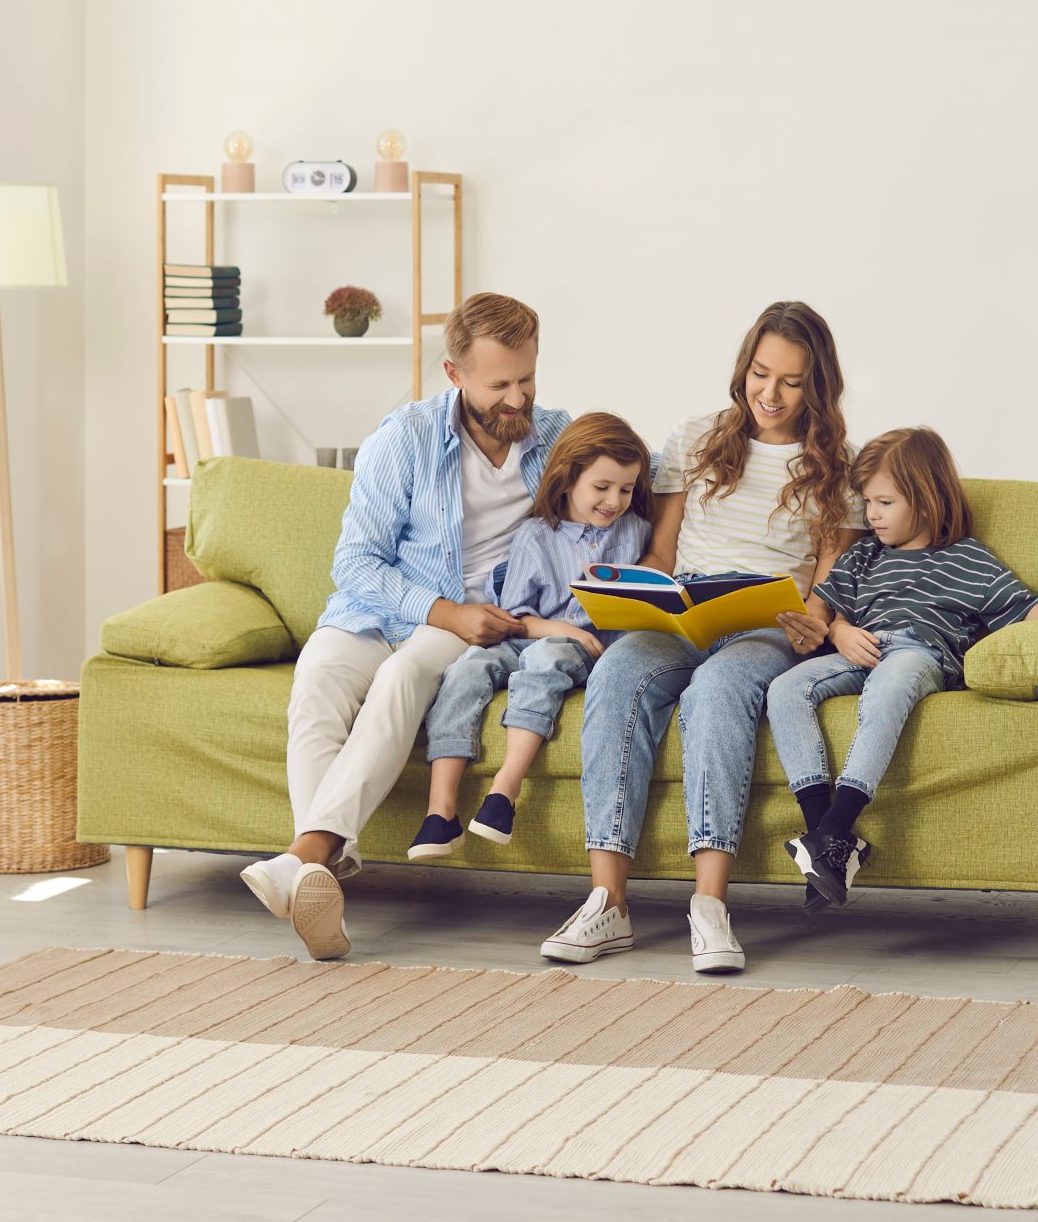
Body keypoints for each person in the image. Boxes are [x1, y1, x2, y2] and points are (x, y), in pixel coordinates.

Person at [239, 292, 566, 960]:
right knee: (318, 680)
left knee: (404, 677)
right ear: (454, 375)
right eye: (499, 384)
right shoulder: (405, 438)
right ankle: (317, 872)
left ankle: (304, 860)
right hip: (394, 610)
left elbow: (630, 487)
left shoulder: (558, 437)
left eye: (527, 379)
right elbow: (355, 563)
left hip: (468, 623)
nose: (517, 398)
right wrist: (443, 610)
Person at [543, 300, 857, 973]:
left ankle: (709, 905)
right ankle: (607, 902)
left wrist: (817, 622)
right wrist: (632, 589)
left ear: (817, 387)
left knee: (716, 690)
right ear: (744, 367)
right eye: (759, 373)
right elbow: (662, 553)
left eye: (791, 382)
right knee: (618, 675)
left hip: (765, 628)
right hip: (684, 617)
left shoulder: (837, 465)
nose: (769, 394)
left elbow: (830, 582)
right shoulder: (696, 438)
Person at [770, 426, 1038, 908]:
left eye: (885, 503)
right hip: (861, 648)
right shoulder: (863, 556)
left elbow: (1023, 608)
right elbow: (833, 612)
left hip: (920, 653)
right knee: (785, 689)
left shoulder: (968, 559)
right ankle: (825, 839)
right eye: (868, 501)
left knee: (889, 687)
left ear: (926, 500)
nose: (871, 514)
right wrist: (840, 633)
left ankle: (836, 828)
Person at [407, 412, 653, 859]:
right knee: (467, 669)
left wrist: (571, 635)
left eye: (626, 488)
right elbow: (516, 616)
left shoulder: (636, 533)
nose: (614, 500)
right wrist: (555, 628)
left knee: (547, 660)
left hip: (582, 649)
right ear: (568, 478)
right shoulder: (536, 535)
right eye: (602, 487)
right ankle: (440, 812)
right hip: (530, 635)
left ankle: (504, 791)